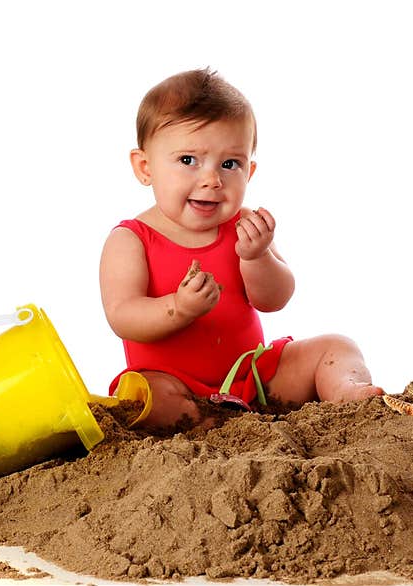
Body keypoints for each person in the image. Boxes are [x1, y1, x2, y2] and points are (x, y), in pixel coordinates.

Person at [100, 68, 383, 428]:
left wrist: (257, 256)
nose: (212, 180)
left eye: (229, 163)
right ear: (145, 168)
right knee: (147, 401)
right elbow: (122, 315)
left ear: (248, 172)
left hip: (253, 379)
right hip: (172, 383)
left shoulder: (245, 227)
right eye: (188, 160)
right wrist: (178, 308)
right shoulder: (131, 239)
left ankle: (347, 392)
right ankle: (209, 423)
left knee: (336, 346)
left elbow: (274, 299)